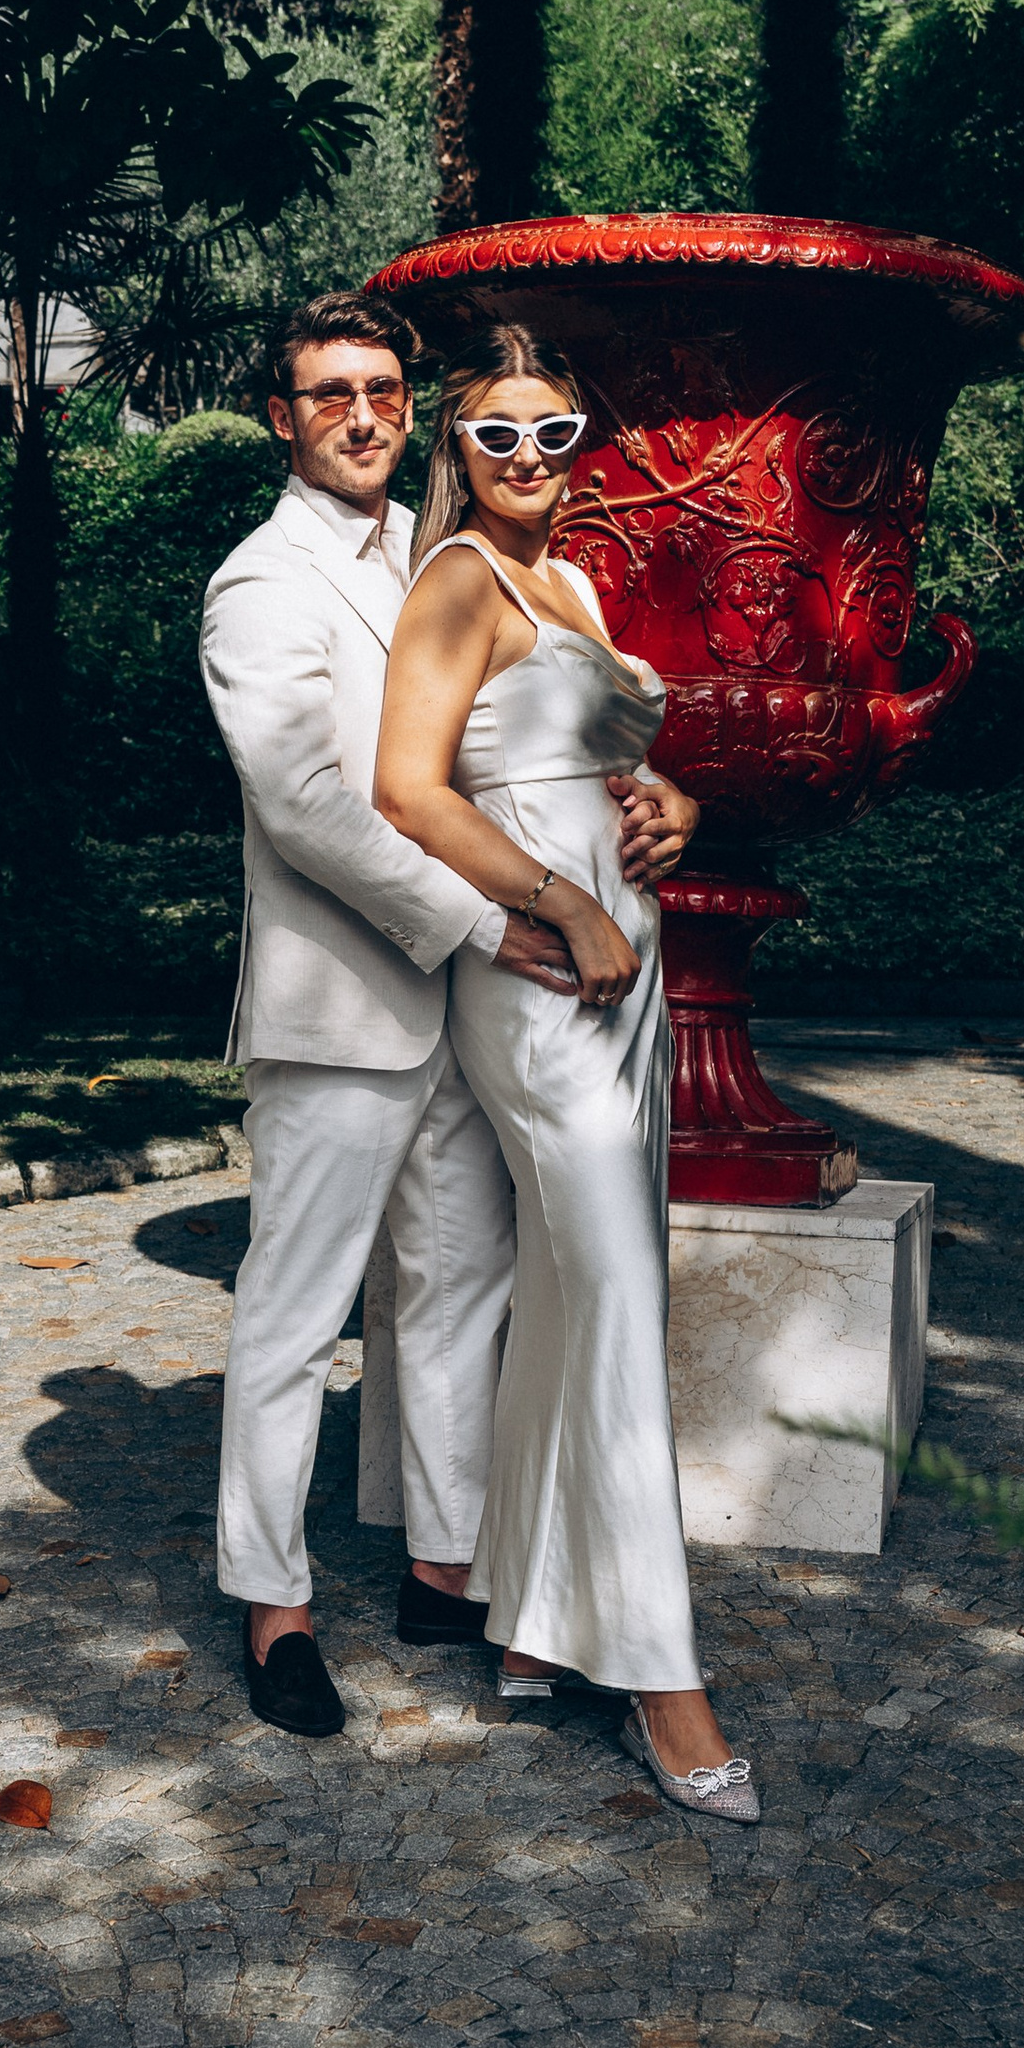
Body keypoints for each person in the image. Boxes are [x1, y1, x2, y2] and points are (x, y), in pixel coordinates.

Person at [199, 291, 697, 1738]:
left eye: (380, 390)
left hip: (482, 1006)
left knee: (460, 1295)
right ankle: (275, 1604)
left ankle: (446, 1563)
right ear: (283, 420)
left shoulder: (447, 555)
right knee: (295, 1317)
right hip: (354, 996)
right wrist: (501, 916)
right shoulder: (259, 585)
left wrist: (649, 800)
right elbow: (309, 808)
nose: (361, 413)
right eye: (328, 394)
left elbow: (515, 747)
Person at [373, 319, 759, 1824]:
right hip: (542, 973)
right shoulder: (459, 582)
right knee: (610, 1299)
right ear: (453, 453)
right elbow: (412, 788)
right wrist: (564, 896)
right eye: (497, 435)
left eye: (553, 433)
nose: (529, 458)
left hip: (631, 965)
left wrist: (666, 806)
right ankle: (663, 1680)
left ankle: (533, 1625)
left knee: (588, 1286)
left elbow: (594, 762)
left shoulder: (576, 584)